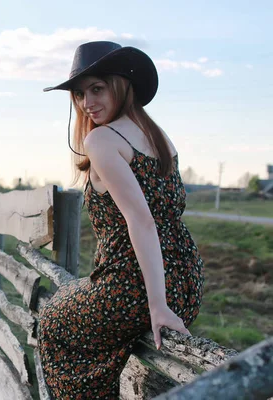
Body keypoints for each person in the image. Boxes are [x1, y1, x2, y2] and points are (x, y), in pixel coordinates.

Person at [38, 41, 204, 399]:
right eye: (80, 94)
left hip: (135, 287)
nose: (87, 103)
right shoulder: (158, 135)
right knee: (79, 310)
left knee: (51, 322)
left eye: (97, 89)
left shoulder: (102, 139)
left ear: (122, 85)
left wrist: (157, 305)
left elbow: (142, 221)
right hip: (187, 283)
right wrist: (165, 299)